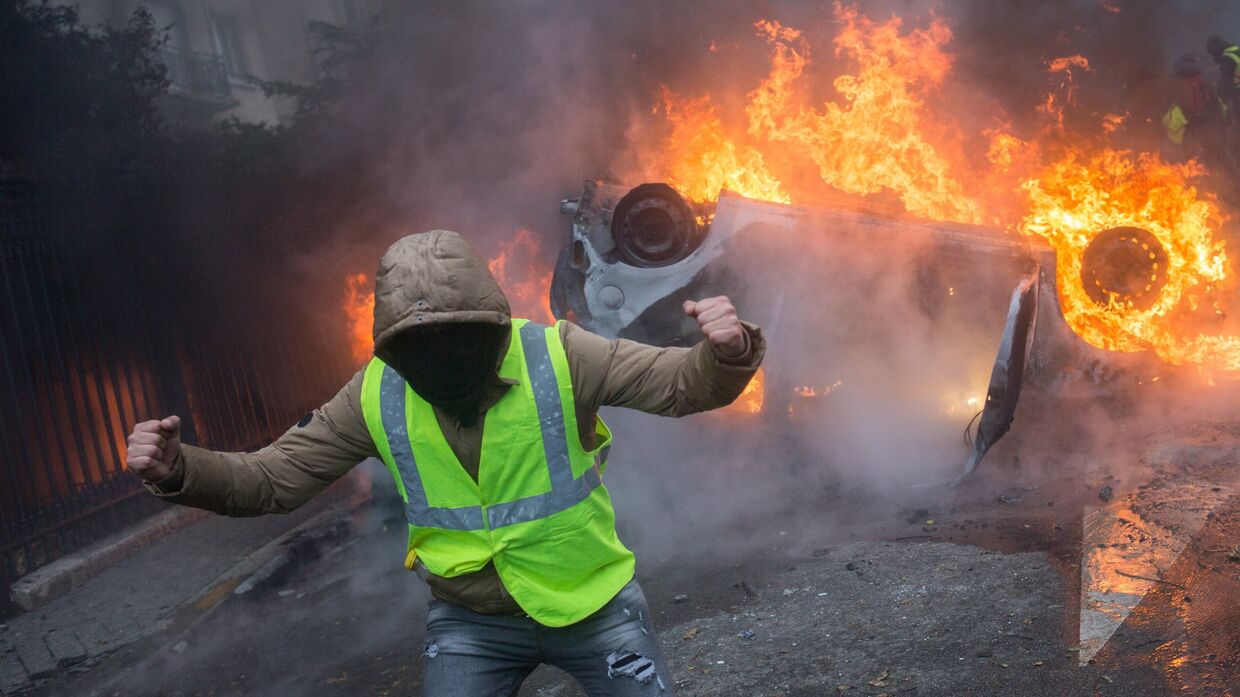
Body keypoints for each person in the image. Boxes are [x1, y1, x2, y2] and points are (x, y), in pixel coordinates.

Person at [126, 229, 764, 697]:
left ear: (492, 319)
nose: (443, 356)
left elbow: (681, 385)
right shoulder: (375, 391)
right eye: (420, 345)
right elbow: (271, 481)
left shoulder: (558, 354)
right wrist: (180, 470)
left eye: (459, 336)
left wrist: (727, 352)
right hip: (471, 624)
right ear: (393, 348)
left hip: (594, 607)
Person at [1162, 53, 1240, 188]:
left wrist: (1222, 128)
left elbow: (1220, 111)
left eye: (1195, 77)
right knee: (1194, 167)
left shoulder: (1209, 92)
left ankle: (1234, 190)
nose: (1194, 81)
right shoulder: (1179, 98)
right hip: (1192, 135)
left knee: (1223, 160)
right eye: (1189, 78)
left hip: (1210, 134)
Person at [1207, 35, 1240, 116]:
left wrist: (1220, 88)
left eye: (1212, 53)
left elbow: (1227, 83)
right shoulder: (1236, 50)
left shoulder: (1227, 59)